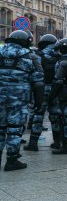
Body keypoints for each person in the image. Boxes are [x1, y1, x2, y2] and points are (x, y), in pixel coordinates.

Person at [0, 30, 44, 171]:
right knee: (14, 129)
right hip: (18, 100)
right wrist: (39, 101)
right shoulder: (31, 57)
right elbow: (38, 82)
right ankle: (12, 160)